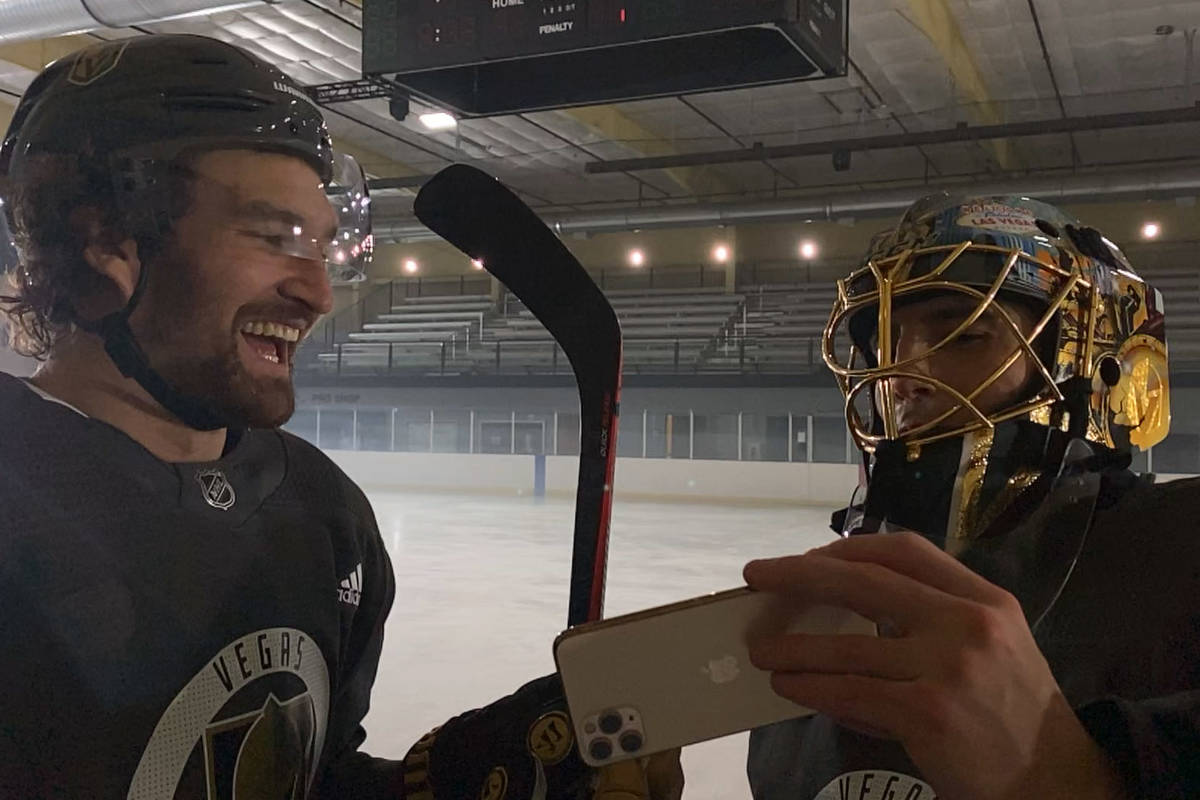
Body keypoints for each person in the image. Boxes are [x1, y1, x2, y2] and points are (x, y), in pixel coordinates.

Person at [0, 34, 682, 800]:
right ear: (104, 241)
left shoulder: (323, 517)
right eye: (273, 237)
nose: (319, 294)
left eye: (324, 248)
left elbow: (310, 778)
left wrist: (450, 780)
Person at [743, 194, 1199, 799]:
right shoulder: (833, 606)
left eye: (961, 334)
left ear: (1093, 360)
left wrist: (1067, 776)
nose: (897, 376)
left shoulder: (1182, 554)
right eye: (886, 341)